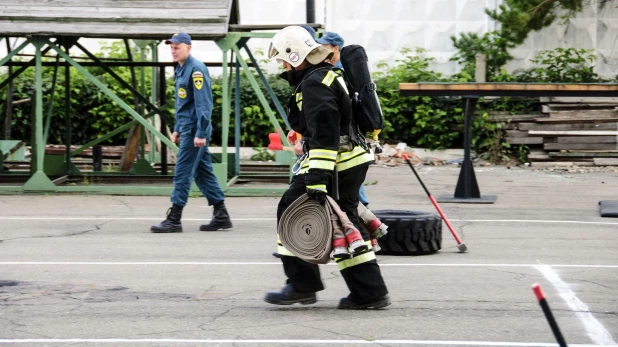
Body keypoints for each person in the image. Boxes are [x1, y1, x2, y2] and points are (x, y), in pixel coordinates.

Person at [264, 26, 390, 309]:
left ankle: (301, 286)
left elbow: (325, 132)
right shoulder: (327, 75)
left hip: (335, 163)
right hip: (350, 160)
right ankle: (369, 293)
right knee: (344, 222)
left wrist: (317, 179)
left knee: (291, 211)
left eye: (284, 60)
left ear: (295, 56)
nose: (282, 66)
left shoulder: (314, 83)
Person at [151, 32, 233, 233]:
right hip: (188, 129)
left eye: (177, 47)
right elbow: (183, 104)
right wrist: (178, 129)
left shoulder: (196, 70)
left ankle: (174, 219)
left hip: (196, 130)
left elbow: (203, 105)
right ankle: (221, 215)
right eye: (171, 47)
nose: (173, 51)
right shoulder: (181, 69)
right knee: (202, 171)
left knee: (182, 172)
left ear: (189, 47)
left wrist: (201, 133)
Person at [315, 31, 371, 207]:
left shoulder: (339, 71)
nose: (320, 50)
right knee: (349, 169)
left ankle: (361, 204)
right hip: (350, 131)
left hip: (347, 131)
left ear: (335, 48)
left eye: (324, 46)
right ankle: (360, 203)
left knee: (348, 167)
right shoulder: (335, 69)